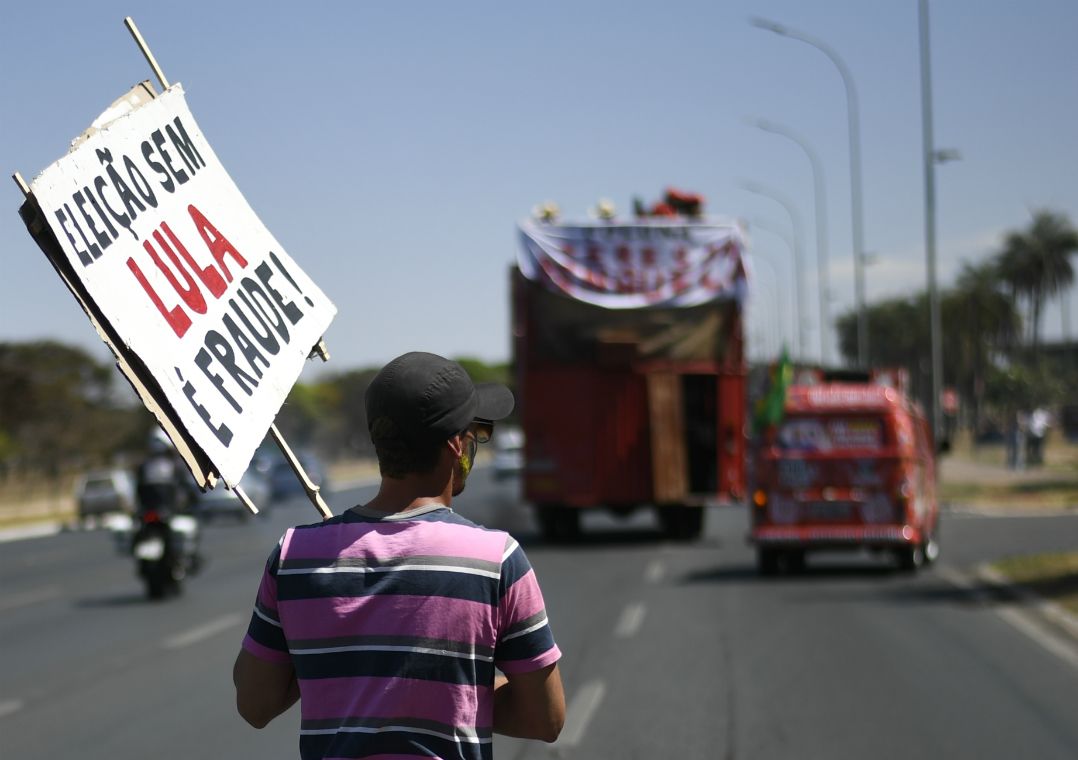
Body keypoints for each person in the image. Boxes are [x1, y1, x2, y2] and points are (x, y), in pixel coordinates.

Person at [233, 351, 565, 759]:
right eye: (475, 435)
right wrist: (453, 686)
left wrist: (344, 662)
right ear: (455, 445)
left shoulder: (293, 556)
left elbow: (255, 704)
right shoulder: (496, 559)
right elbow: (545, 719)